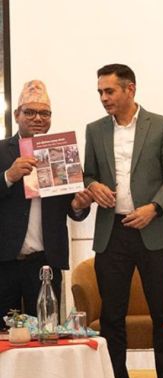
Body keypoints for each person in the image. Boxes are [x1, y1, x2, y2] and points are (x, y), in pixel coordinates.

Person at [83, 64, 163, 378]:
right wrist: (93, 185)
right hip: (111, 232)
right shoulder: (95, 130)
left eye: (109, 91)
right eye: (100, 92)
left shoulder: (162, 125)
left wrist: (153, 208)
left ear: (130, 89)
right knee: (112, 314)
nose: (104, 98)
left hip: (152, 229)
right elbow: (87, 174)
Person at [0, 80, 92, 329]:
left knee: (46, 331)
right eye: (30, 112)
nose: (38, 118)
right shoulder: (2, 150)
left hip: (45, 263)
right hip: (5, 261)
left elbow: (76, 209)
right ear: (17, 114)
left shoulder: (62, 152)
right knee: (3, 335)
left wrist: (79, 205)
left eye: (45, 113)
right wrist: (8, 176)